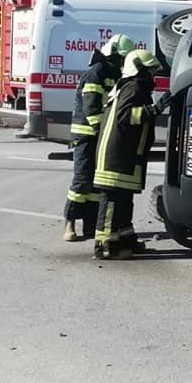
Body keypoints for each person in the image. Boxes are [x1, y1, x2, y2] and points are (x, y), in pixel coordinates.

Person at [91, 48, 171, 260]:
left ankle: (125, 241)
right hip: (116, 159)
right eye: (151, 71)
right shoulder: (133, 87)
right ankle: (104, 244)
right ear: (139, 69)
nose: (153, 76)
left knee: (124, 202)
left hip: (124, 157)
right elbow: (125, 116)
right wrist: (154, 110)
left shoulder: (131, 87)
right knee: (112, 203)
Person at [61, 35, 135, 241]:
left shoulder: (115, 74)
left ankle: (90, 225)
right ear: (113, 54)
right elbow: (91, 107)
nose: (123, 62)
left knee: (96, 183)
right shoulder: (95, 74)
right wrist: (101, 130)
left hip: (101, 135)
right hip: (86, 135)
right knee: (82, 181)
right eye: (122, 57)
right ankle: (69, 224)